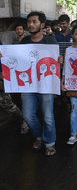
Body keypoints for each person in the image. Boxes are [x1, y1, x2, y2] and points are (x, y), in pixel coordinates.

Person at [20, 11, 62, 156]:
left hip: (46, 84)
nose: (30, 25)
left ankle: (49, 142)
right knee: (27, 114)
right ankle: (38, 136)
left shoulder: (50, 42)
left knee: (48, 116)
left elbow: (56, 63)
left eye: (34, 22)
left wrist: (59, 61)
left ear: (42, 25)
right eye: (29, 22)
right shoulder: (24, 42)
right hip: (28, 85)